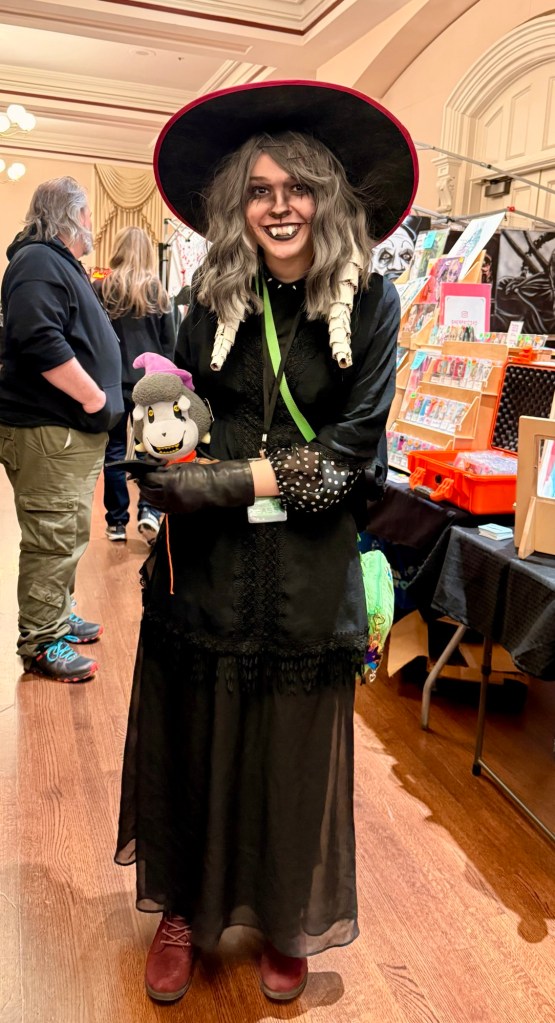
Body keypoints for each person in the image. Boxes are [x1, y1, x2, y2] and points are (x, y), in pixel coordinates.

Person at [115, 81, 417, 1003]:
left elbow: (350, 455)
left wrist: (230, 481)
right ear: (234, 205)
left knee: (291, 749)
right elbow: (174, 415)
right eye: (258, 190)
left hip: (307, 564)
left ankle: (286, 913)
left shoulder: (373, 304)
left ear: (328, 197)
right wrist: (158, 456)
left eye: (297, 189)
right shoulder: (205, 300)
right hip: (204, 565)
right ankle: (182, 907)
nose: (278, 207)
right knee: (195, 731)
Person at [0, 176, 123, 683]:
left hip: (66, 433)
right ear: (72, 216)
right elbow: (38, 338)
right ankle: (41, 641)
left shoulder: (53, 262)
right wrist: (94, 397)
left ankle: (58, 616)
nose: (93, 224)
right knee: (52, 539)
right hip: (50, 431)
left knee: (67, 533)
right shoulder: (37, 260)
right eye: (89, 213)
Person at [94, 226, 176, 544]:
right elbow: (169, 346)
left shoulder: (102, 289)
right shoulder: (159, 292)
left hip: (112, 383)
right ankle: (149, 512)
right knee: (151, 449)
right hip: (151, 383)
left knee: (114, 451)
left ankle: (116, 523)